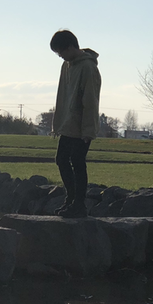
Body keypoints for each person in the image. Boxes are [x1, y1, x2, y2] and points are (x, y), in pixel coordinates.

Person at [50, 30, 101, 218]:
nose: (60, 56)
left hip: (82, 125)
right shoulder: (66, 66)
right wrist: (58, 123)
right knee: (61, 159)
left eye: (61, 51)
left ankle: (79, 205)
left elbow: (91, 100)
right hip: (68, 123)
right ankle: (71, 199)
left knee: (78, 162)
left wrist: (88, 129)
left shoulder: (88, 67)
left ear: (71, 47)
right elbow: (62, 96)